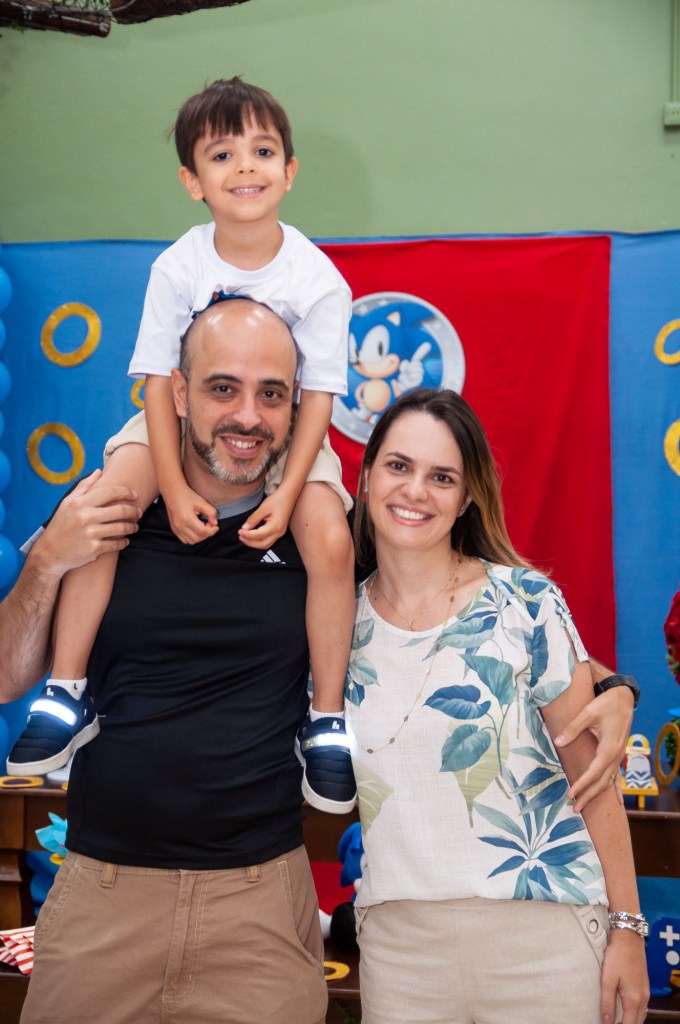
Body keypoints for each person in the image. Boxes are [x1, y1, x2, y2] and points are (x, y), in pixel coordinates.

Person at [6, 76, 356, 814]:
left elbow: (318, 396)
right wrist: (170, 484)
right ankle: (67, 690)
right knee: (106, 504)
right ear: (192, 182)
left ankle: (326, 718)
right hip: (169, 420)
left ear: (290, 170)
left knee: (330, 539)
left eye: (263, 151)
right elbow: (158, 384)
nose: (246, 166)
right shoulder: (178, 266)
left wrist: (290, 492)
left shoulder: (319, 279)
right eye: (222, 155)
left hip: (291, 430)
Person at [6, 299, 329, 1024]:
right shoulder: (104, 509)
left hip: (259, 910)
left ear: (297, 406)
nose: (247, 416)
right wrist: (48, 559)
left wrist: (585, 681)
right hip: (102, 901)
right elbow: (3, 677)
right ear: (178, 393)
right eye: (223, 388)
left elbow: (439, 612)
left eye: (271, 394)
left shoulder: (318, 532)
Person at [346, 387, 649, 1024]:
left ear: (466, 498)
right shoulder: (334, 621)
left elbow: (594, 781)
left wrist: (628, 928)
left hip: (543, 941)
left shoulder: (525, 602)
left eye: (442, 477)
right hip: (400, 951)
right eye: (398, 466)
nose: (415, 490)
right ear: (367, 475)